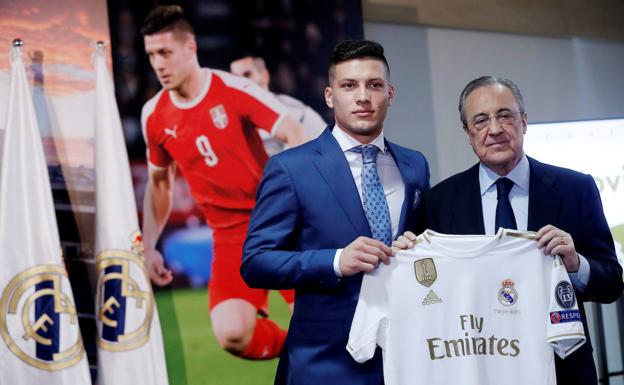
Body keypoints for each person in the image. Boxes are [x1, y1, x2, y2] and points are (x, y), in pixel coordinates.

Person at [396, 76, 623, 385]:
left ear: (524, 121)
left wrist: (575, 264)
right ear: (467, 133)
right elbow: (428, 294)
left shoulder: (575, 188)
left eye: (505, 115)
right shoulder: (439, 201)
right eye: (480, 120)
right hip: (477, 369)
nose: (494, 129)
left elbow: (611, 282)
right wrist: (409, 256)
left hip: (562, 369)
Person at [241, 39, 430, 384]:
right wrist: (335, 261)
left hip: (404, 356)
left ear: (390, 93)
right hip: (323, 361)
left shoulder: (414, 165)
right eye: (349, 85)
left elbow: (424, 244)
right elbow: (256, 262)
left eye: (374, 85)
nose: (362, 96)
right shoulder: (291, 168)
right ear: (330, 96)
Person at [140, 5, 306, 360]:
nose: (158, 64)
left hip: (279, 225)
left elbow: (295, 133)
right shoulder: (154, 115)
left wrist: (293, 200)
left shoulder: (233, 89)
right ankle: (302, 355)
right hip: (229, 236)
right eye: (152, 54)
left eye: (165, 52)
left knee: (313, 320)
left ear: (190, 48)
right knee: (233, 335)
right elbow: (159, 184)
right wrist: (150, 244)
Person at [230, 54, 326, 155]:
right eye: (236, 78)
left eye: (247, 74)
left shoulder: (296, 112)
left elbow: (331, 146)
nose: (241, 82)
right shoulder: (231, 123)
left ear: (264, 76)